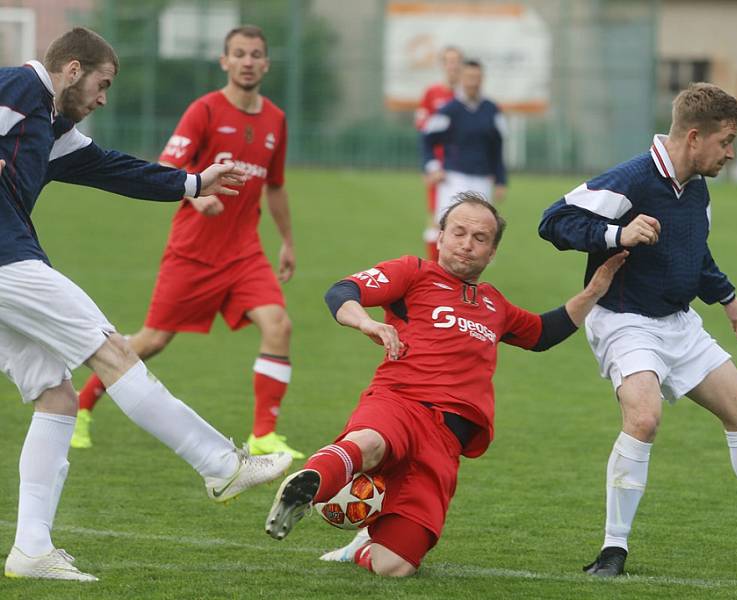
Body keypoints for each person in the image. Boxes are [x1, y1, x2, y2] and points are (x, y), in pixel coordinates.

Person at [0, 27, 292, 582]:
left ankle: (31, 549)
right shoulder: (20, 87)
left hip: (9, 261)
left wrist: (193, 181)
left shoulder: (52, 125)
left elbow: (112, 167)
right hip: (6, 259)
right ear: (72, 70)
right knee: (112, 352)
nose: (103, 98)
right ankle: (221, 465)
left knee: (56, 395)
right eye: (102, 85)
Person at [263, 193, 627, 576]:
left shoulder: (494, 305)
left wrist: (595, 290)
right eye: (459, 232)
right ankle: (309, 487)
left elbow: (542, 333)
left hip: (444, 444)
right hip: (399, 401)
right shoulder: (413, 273)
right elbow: (342, 291)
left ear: (492, 254)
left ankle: (361, 548)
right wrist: (366, 322)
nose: (467, 244)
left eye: (480, 238)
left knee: (396, 567)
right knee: (369, 442)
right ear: (440, 237)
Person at [538, 82, 737, 576]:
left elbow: (694, 252)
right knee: (644, 419)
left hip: (678, 322)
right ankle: (613, 549)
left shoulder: (696, 187)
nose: (731, 153)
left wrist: (726, 296)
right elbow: (553, 222)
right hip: (624, 319)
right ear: (694, 137)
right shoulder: (632, 179)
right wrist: (618, 232)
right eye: (725, 141)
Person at [71, 25, 304, 459]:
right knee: (152, 341)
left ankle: (264, 435)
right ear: (225, 61)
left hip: (245, 253)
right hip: (193, 252)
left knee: (279, 326)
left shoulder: (275, 119)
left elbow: (275, 186)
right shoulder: (205, 111)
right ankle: (82, 406)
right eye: (239, 54)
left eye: (256, 54)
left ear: (267, 64)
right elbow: (168, 165)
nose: (248, 61)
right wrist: (196, 199)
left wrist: (288, 241)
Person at [421, 59, 507, 241]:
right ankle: (437, 268)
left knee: (481, 229)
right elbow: (427, 140)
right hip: (454, 177)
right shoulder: (449, 110)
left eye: (477, 77)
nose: (473, 82)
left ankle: (472, 269)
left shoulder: (491, 110)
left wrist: (500, 179)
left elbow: (497, 148)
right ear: (461, 78)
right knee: (446, 226)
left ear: (482, 79)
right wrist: (433, 167)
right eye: (469, 77)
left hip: (482, 178)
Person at [415, 46, 463, 261]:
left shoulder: (467, 97)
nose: (453, 66)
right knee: (436, 218)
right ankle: (434, 271)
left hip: (464, 167)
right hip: (439, 168)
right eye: (448, 61)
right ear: (443, 65)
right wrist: (429, 165)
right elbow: (423, 129)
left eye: (456, 61)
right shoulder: (432, 93)